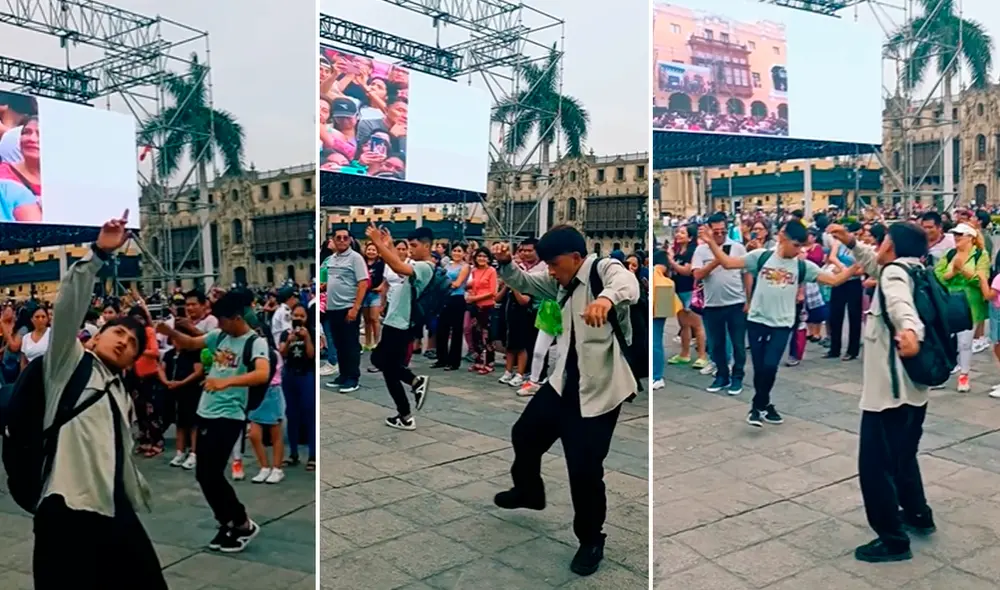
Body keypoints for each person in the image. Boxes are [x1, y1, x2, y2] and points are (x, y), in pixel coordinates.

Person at [490, 224, 640, 577]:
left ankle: (591, 540)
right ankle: (528, 491)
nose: (551, 272)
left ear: (575, 257)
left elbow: (628, 285)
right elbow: (524, 283)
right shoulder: (560, 281)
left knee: (584, 471)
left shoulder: (603, 271)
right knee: (524, 434)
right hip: (562, 384)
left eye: (555, 264)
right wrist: (505, 264)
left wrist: (605, 299)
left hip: (600, 391)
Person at [33, 212, 168, 589]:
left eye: (133, 343)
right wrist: (97, 254)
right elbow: (68, 309)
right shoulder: (69, 364)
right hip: (67, 505)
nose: (125, 341)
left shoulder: (120, 389)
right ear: (93, 337)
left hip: (113, 506)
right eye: (118, 333)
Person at [827, 221, 935, 563]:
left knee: (875, 468)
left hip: (889, 394)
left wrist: (909, 332)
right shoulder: (916, 269)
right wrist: (852, 243)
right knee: (903, 459)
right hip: (915, 390)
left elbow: (901, 306)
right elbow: (878, 267)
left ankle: (892, 540)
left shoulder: (893, 277)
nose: (880, 244)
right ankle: (918, 515)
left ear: (893, 245)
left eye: (884, 239)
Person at [698, 222, 855, 426]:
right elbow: (728, 263)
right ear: (783, 237)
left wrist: (855, 268)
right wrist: (711, 243)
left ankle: (757, 406)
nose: (799, 250)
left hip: (782, 323)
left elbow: (833, 280)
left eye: (802, 246)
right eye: (796, 245)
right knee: (761, 368)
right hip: (757, 320)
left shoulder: (802, 266)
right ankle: (765, 405)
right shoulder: (761, 257)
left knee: (771, 365)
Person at [157, 289, 268, 553]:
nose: (218, 325)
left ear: (236, 318)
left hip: (229, 414)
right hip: (207, 410)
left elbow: (262, 374)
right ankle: (227, 521)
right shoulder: (220, 336)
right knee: (203, 474)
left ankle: (242, 523)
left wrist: (227, 381)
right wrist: (170, 332)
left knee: (212, 474)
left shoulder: (255, 342)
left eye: (222, 320)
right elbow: (193, 343)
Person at [365, 222, 431, 430]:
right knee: (380, 360)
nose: (410, 250)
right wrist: (389, 245)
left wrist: (378, 243)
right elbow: (398, 265)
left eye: (414, 245)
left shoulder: (425, 267)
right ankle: (412, 388)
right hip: (396, 321)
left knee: (389, 370)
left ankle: (406, 414)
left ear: (427, 246)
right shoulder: (417, 265)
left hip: (401, 324)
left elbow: (397, 266)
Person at [693, 212, 748, 395]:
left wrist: (749, 299)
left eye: (723, 231)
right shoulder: (701, 250)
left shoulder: (738, 248)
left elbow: (746, 274)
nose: (719, 235)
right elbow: (698, 275)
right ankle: (722, 375)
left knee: (738, 343)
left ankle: (737, 376)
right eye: (715, 232)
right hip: (712, 304)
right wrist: (718, 259)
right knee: (716, 344)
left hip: (736, 303)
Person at [934, 223, 989, 393]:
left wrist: (962, 271)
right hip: (949, 301)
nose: (957, 237)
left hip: (969, 304)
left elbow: (981, 279)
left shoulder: (980, 255)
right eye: (955, 234)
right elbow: (937, 275)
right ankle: (942, 372)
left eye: (961, 235)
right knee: (945, 339)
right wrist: (951, 274)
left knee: (964, 343)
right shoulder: (950, 254)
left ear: (970, 238)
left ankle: (964, 374)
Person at [325, 228, 369, 393]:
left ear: (350, 240)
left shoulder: (355, 258)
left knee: (350, 344)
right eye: (338, 238)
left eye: (345, 238)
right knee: (339, 344)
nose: (342, 240)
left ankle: (353, 377)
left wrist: (355, 307)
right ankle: (343, 375)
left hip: (348, 307)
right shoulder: (332, 259)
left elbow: (363, 283)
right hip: (333, 308)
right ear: (334, 240)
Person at [160, 327, 204, 470]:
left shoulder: (193, 354)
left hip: (191, 391)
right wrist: (166, 381)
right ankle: (180, 452)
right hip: (174, 392)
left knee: (193, 423)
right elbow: (160, 368)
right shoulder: (169, 354)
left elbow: (198, 372)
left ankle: (194, 453)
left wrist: (182, 382)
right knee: (180, 423)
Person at [281, 303, 316, 471]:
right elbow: (282, 353)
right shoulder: (285, 334)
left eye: (302, 316)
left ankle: (312, 455)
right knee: (291, 414)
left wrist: (307, 337)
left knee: (309, 413)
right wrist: (289, 341)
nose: (298, 319)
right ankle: (293, 453)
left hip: (306, 374)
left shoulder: (312, 333)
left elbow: (311, 355)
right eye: (296, 315)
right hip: (290, 375)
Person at [433, 243, 471, 370]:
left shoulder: (465, 267)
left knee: (456, 331)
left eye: (459, 251)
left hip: (457, 298)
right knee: (441, 329)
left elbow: (458, 283)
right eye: (454, 250)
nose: (456, 253)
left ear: (464, 253)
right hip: (444, 298)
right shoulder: (447, 265)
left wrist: (443, 284)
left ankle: (454, 361)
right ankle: (441, 358)